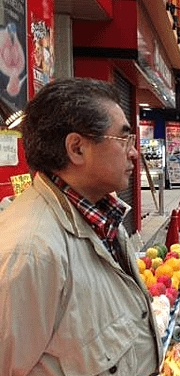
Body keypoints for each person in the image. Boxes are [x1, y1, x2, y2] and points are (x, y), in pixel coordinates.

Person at [0, 78, 161, 375]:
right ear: (77, 148)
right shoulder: (31, 252)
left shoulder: (103, 215)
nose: (134, 153)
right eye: (124, 140)